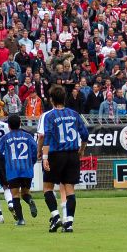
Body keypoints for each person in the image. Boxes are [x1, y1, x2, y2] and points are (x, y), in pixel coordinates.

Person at [41, 85, 89, 233]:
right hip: (72, 155)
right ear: (64, 98)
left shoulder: (50, 116)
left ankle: (56, 217)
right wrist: (81, 150)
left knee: (47, 188)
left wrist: (45, 157)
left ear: (51, 100)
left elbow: (47, 136)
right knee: (70, 190)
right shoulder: (74, 114)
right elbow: (85, 134)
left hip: (56, 155)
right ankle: (69, 223)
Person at [0, 114, 38, 226]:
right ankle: (30, 201)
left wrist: (6, 159)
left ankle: (21, 220)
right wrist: (32, 162)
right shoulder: (28, 136)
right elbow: (35, 149)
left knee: (15, 195)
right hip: (27, 169)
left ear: (8, 126)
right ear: (20, 124)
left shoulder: (5, 138)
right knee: (25, 193)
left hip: (13, 170)